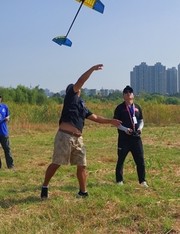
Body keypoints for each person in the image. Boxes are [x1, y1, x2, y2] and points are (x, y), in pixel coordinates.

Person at [41, 64, 122, 199]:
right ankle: (45, 186)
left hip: (78, 139)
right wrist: (92, 69)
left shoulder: (81, 106)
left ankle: (83, 192)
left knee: (82, 165)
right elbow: (81, 81)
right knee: (56, 163)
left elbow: (95, 117)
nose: (80, 89)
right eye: (77, 88)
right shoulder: (70, 97)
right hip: (64, 137)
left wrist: (110, 121)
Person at [114, 85, 148, 187]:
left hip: (136, 138)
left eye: (130, 92)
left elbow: (141, 120)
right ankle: (119, 180)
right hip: (124, 138)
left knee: (140, 159)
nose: (128, 93)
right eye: (126, 92)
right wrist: (125, 129)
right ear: (123, 95)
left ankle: (142, 181)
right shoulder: (120, 108)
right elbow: (116, 123)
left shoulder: (137, 107)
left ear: (133, 95)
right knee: (121, 159)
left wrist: (140, 128)